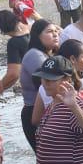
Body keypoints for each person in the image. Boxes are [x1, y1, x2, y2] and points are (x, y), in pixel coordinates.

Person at [16, 19, 60, 148]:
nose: (55, 34)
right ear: (37, 36)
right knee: (48, 158)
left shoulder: (46, 55)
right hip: (34, 111)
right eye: (50, 32)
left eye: (56, 31)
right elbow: (48, 87)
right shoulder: (34, 55)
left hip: (45, 109)